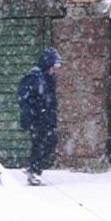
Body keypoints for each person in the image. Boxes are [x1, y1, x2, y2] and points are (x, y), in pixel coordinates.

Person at [17, 47, 63, 186]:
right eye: (54, 65)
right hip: (36, 118)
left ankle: (34, 169)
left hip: (46, 119)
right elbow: (24, 99)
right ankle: (33, 172)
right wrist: (28, 116)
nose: (54, 69)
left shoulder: (48, 79)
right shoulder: (34, 77)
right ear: (47, 63)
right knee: (40, 143)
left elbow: (50, 100)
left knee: (49, 142)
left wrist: (52, 117)